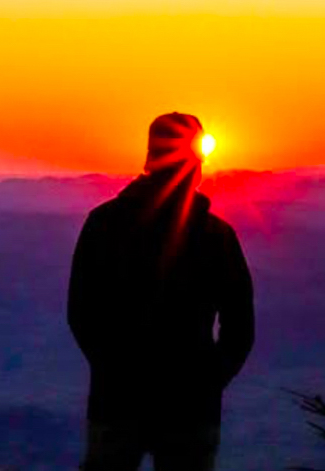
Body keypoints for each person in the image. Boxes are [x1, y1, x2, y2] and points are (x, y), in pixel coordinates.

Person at [67, 113, 254, 471]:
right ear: (197, 162)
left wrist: (112, 369)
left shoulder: (103, 225)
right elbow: (240, 326)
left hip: (117, 401)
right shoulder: (216, 236)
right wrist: (208, 381)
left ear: (150, 158)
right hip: (190, 408)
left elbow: (82, 313)